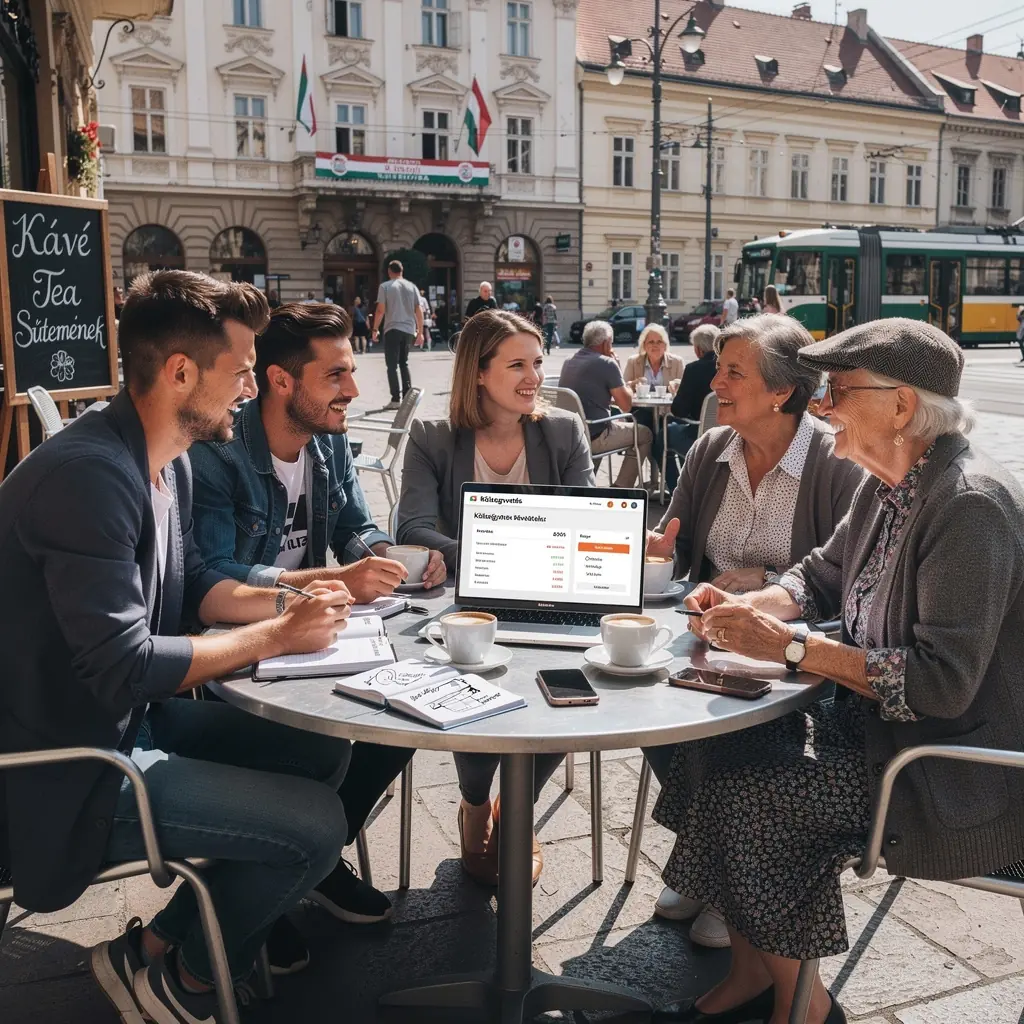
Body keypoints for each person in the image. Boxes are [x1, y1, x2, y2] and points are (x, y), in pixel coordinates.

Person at [0, 270, 362, 1024]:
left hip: (123, 724)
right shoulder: (89, 478)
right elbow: (125, 662)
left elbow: (197, 583)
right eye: (237, 372)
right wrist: (279, 633)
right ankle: (184, 981)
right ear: (180, 373)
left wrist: (302, 596)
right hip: (67, 766)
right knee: (316, 828)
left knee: (321, 751)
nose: (245, 390)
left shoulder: (162, 461)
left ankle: (165, 944)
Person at [651, 317, 1024, 1024]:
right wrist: (748, 604)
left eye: (838, 391)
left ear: (902, 406)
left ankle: (805, 1006)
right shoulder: (890, 479)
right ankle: (755, 974)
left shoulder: (968, 503)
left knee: (754, 797)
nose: (820, 408)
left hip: (942, 772)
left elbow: (941, 684)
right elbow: (817, 576)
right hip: (872, 729)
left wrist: (792, 649)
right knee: (702, 748)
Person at [189, 302, 446, 931]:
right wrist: (335, 581)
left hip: (320, 635)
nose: (354, 391)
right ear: (281, 381)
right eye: (335, 377)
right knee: (309, 745)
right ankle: (273, 882)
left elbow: (356, 525)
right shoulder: (219, 454)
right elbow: (214, 577)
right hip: (240, 647)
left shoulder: (328, 446)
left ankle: (311, 862)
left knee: (413, 715)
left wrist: (388, 557)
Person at [644, 314, 864, 952]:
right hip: (707, 634)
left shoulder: (833, 462)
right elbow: (675, 552)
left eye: (734, 371)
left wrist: (764, 580)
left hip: (797, 654)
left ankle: (727, 876)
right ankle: (710, 856)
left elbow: (844, 585)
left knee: (755, 725)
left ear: (781, 392)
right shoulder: (712, 448)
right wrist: (658, 556)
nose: (716, 381)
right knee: (651, 702)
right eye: (719, 367)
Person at [395, 309, 594, 886]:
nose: (534, 376)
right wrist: (495, 554)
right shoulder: (434, 437)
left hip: (555, 595)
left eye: (537, 362)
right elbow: (412, 526)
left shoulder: (561, 430)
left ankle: (516, 809)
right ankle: (475, 804)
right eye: (517, 364)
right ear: (478, 372)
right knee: (473, 681)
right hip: (470, 602)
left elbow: (584, 515)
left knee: (573, 685)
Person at [558, 319, 653, 487]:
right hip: (595, 434)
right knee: (645, 434)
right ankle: (622, 487)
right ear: (606, 343)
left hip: (571, 433)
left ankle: (587, 483)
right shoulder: (607, 363)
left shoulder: (569, 360)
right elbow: (626, 405)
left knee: (604, 420)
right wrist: (618, 368)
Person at [653, 323, 719, 492]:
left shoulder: (694, 369)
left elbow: (678, 410)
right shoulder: (730, 367)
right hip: (729, 435)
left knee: (662, 436)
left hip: (699, 436)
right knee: (677, 428)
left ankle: (677, 490)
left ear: (698, 349)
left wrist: (677, 391)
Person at [372, 260, 423, 410]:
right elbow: (418, 310)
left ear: (389, 271)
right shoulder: (412, 286)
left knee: (392, 366)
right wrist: (420, 331)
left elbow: (380, 310)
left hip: (392, 329)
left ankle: (395, 399)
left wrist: (375, 329)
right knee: (404, 363)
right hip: (408, 330)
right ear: (402, 271)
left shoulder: (385, 287)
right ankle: (408, 398)